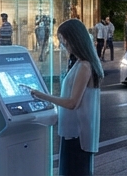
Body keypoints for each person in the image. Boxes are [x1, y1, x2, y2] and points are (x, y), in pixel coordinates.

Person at [28, 19, 102, 176]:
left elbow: (72, 102)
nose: (63, 44)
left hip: (77, 133)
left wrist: (42, 95)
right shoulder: (81, 63)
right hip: (74, 131)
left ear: (74, 39)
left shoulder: (84, 66)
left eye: (64, 40)